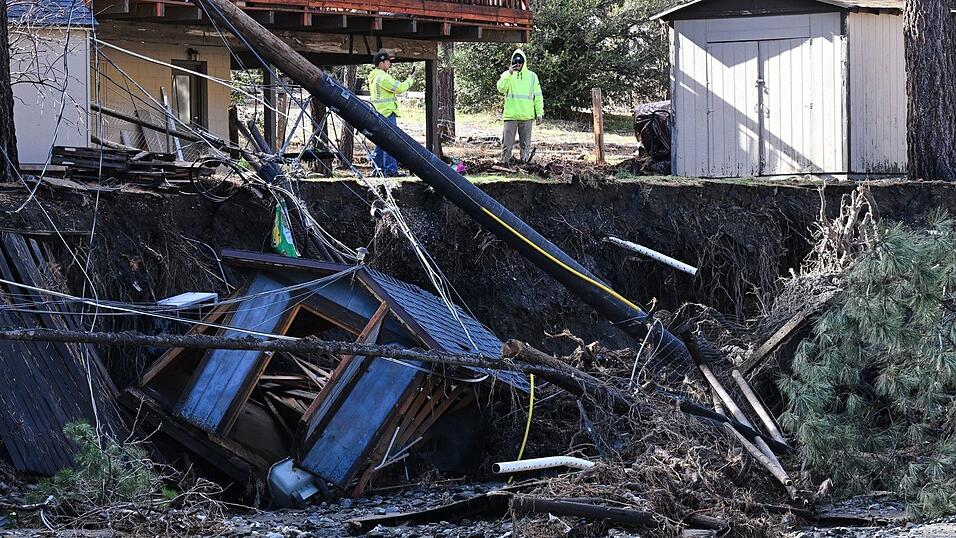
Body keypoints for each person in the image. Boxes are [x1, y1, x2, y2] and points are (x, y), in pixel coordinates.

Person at [368, 49, 416, 177]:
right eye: (388, 61)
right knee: (391, 142)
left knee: (380, 143)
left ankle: (377, 171)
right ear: (381, 63)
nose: (390, 63)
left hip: (378, 112)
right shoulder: (383, 77)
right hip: (387, 113)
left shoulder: (373, 76)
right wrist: (411, 79)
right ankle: (390, 170)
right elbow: (399, 88)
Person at [497, 49, 544, 165]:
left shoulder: (532, 76)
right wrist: (508, 73)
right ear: (512, 62)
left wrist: (539, 113)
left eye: (520, 62)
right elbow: (501, 88)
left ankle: (524, 164)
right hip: (511, 116)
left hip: (526, 116)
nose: (517, 64)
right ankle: (504, 163)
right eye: (515, 62)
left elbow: (538, 96)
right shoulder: (507, 75)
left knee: (525, 144)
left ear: (524, 62)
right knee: (507, 144)